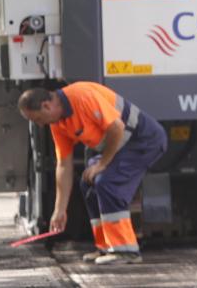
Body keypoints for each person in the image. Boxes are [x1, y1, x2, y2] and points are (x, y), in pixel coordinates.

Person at [17, 83, 167, 266]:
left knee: (108, 183)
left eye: (38, 119)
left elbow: (117, 128)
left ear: (46, 106)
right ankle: (106, 246)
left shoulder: (81, 97)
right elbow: (64, 165)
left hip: (143, 140)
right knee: (88, 183)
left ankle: (126, 251)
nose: (40, 125)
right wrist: (60, 209)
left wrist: (102, 164)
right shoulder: (58, 124)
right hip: (121, 146)